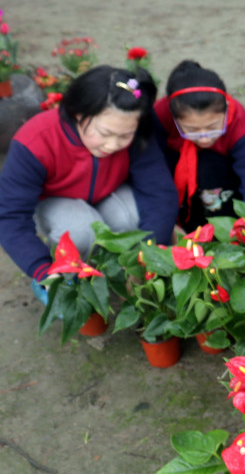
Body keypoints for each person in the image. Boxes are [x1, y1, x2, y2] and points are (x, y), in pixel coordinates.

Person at [0, 65, 176, 302]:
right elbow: (10, 216)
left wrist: (151, 252)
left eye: (125, 136)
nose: (113, 145)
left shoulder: (135, 130)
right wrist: (42, 269)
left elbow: (159, 191)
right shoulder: (35, 140)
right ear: (78, 114)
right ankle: (67, 275)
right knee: (81, 231)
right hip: (55, 201)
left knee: (135, 220)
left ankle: (120, 271)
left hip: (108, 192)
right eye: (104, 133)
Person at [154, 60, 245, 231]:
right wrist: (166, 223)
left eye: (212, 128)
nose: (204, 138)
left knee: (209, 169)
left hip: (219, 177)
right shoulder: (159, 117)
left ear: (226, 108)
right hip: (175, 169)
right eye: (192, 129)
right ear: (174, 117)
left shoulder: (241, 126)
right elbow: (152, 167)